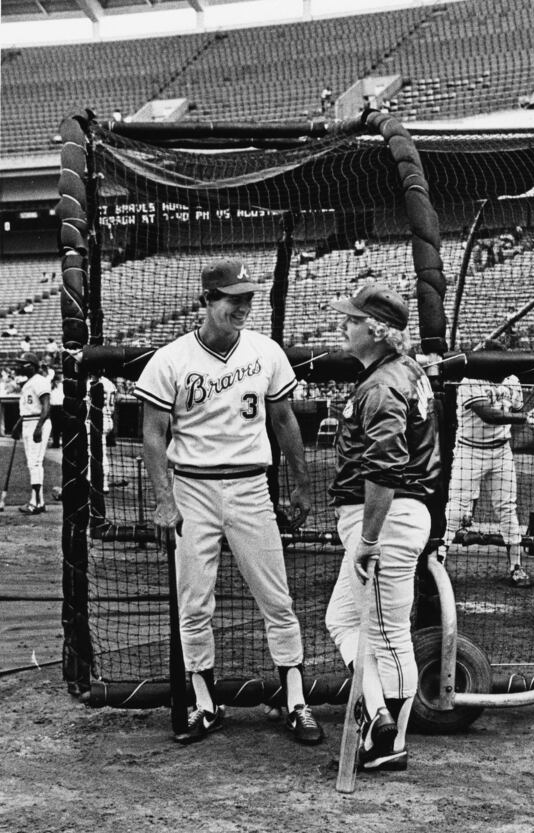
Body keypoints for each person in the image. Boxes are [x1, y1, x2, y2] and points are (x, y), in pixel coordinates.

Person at [133, 258, 324, 747]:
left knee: (276, 599)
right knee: (193, 603)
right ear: (207, 301)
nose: (243, 306)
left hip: (249, 486)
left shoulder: (265, 351)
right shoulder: (171, 359)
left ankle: (296, 701)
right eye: (232, 298)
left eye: (247, 298)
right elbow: (153, 435)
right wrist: (163, 500)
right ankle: (204, 703)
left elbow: (284, 422)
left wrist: (301, 484)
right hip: (192, 489)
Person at [325, 282, 441, 773]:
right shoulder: (401, 371)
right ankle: (377, 716)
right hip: (393, 514)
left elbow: (385, 469)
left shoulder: (382, 384)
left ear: (375, 330)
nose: (344, 326)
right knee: (342, 620)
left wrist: (369, 539)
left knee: (390, 635)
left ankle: (389, 740)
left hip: (386, 519)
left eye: (352, 320)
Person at [442, 340, 534, 587]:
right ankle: (437, 560)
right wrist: (524, 417)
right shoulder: (470, 381)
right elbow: (489, 415)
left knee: (508, 508)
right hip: (469, 451)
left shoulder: (511, 381)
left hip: (501, 452)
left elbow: (517, 408)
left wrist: (533, 414)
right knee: (456, 509)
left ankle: (516, 566)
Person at [14, 351, 51, 515]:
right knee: (32, 463)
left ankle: (35, 502)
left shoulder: (40, 381)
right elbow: (27, 410)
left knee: (35, 463)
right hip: (28, 421)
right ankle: (39, 502)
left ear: (33, 366)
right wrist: (17, 425)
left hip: (38, 422)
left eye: (23, 364)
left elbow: (46, 406)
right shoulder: (29, 382)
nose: (20, 366)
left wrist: (39, 427)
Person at [86, 371, 117, 493]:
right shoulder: (110, 384)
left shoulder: (92, 383)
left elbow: (87, 404)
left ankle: (97, 482)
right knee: (100, 450)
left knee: (94, 452)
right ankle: (102, 482)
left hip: (97, 420)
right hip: (108, 418)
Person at [49, 370, 64, 448]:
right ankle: (56, 443)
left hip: (61, 407)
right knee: (55, 427)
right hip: (54, 408)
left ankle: (63, 442)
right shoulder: (51, 387)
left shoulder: (63, 386)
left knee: (63, 426)